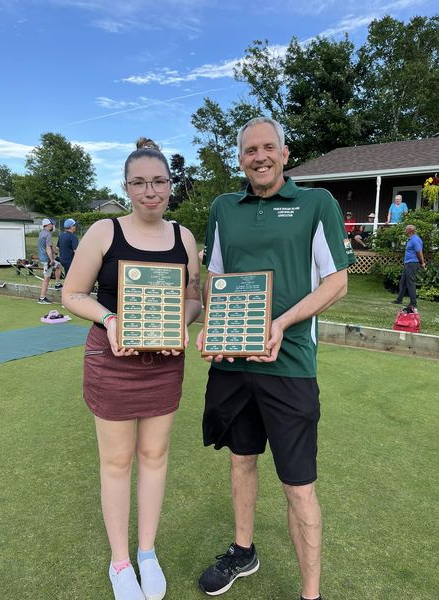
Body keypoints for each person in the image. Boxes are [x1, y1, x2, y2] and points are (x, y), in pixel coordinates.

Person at [196, 117, 355, 600]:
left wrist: (281, 324)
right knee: (242, 460)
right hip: (232, 363)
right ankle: (243, 550)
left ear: (285, 155)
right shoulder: (224, 207)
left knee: (298, 485)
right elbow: (215, 277)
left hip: (289, 366)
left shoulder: (317, 204)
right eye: (249, 151)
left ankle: (311, 594)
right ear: (240, 159)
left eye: (269, 148)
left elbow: (337, 281)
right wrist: (210, 325)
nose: (259, 157)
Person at [62, 137, 201, 600]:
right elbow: (73, 294)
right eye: (139, 182)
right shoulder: (104, 231)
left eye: (158, 181)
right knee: (117, 462)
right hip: (112, 361)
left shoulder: (184, 237)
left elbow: (193, 298)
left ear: (170, 184)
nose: (150, 191)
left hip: (164, 363)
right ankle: (120, 562)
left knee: (155, 457)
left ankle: (147, 552)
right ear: (126, 186)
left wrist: (179, 322)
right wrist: (111, 318)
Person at [392, 224, 426, 307]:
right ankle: (399, 300)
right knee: (403, 282)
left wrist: (422, 263)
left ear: (409, 231)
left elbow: (419, 252)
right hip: (408, 263)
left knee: (410, 283)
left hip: (412, 263)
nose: (404, 231)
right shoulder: (411, 239)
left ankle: (413, 303)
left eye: (405, 229)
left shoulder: (415, 240)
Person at [37, 218, 63, 304]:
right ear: (48, 225)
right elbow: (48, 248)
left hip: (43, 258)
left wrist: (55, 252)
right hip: (47, 260)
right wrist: (51, 259)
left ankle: (57, 283)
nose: (52, 226)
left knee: (58, 265)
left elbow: (48, 247)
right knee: (46, 279)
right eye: (51, 224)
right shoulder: (48, 234)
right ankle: (42, 298)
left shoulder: (41, 233)